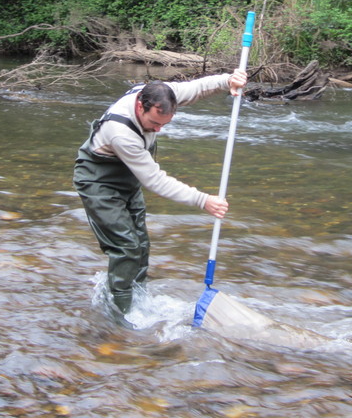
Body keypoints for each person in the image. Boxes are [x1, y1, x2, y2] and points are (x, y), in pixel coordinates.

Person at [74, 69, 248, 316]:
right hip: (98, 183)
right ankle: (119, 312)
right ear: (141, 106)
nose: (157, 130)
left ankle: (137, 297)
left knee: (142, 244)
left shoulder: (163, 94)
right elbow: (155, 180)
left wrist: (227, 81)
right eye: (154, 123)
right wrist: (203, 200)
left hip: (128, 176)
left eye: (164, 124)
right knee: (126, 247)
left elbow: (197, 88)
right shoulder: (120, 132)